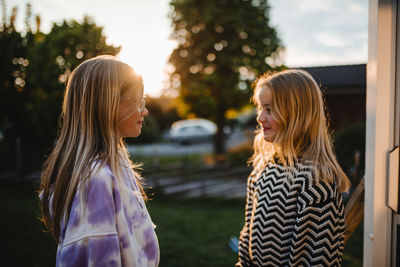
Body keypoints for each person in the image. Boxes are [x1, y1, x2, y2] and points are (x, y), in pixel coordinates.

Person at [39, 55, 159, 266]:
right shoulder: (95, 180)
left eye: (144, 100)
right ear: (108, 104)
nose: (145, 110)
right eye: (137, 101)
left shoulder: (117, 164)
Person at [236, 69, 350, 266]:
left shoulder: (315, 184)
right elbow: (247, 239)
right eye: (260, 108)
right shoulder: (262, 169)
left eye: (269, 109)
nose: (260, 117)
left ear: (297, 116)